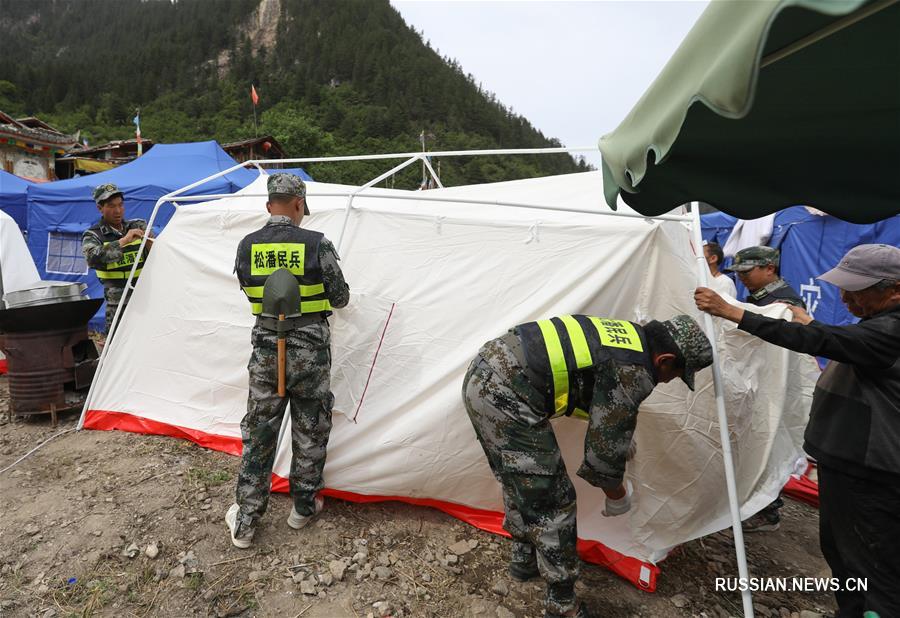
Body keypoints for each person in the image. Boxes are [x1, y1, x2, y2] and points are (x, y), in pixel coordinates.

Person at [694, 244, 900, 617]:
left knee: (872, 565)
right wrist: (812, 325)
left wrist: (733, 313)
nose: (845, 298)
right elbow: (840, 341)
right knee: (842, 554)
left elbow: (829, 342)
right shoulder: (879, 323)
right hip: (849, 464)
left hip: (869, 471)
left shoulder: (891, 330)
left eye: (856, 290)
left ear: (895, 289)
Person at [462, 314, 712, 618]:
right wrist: (618, 496)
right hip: (505, 394)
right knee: (553, 501)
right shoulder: (635, 371)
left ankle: (524, 557)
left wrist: (619, 433)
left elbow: (591, 390)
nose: (668, 382)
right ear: (665, 360)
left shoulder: (629, 336)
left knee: (522, 480)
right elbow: (601, 460)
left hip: (486, 372)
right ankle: (562, 604)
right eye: (675, 375)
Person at [225, 173, 350, 549]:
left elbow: (249, 292)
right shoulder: (316, 243)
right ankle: (304, 508)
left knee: (260, 432)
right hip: (310, 353)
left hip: (266, 351)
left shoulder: (247, 246)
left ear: (269, 205)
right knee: (310, 426)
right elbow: (340, 298)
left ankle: (246, 521)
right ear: (299, 204)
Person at [724, 245, 804, 531]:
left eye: (747, 272)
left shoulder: (784, 303)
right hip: (758, 380)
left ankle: (767, 511)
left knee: (767, 443)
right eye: (739, 273)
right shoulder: (762, 296)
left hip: (772, 386)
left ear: (770, 268)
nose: (742, 278)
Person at [82, 183, 152, 332]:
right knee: (117, 342)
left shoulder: (136, 225)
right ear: (100, 208)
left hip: (144, 297)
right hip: (118, 303)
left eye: (120, 205)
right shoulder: (93, 234)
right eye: (111, 206)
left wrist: (150, 240)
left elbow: (158, 253)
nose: (118, 211)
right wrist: (124, 241)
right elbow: (92, 259)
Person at [726, 245, 805, 309]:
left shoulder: (786, 301)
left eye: (745, 272)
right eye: (738, 273)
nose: (740, 278)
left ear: (770, 269)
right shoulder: (759, 295)